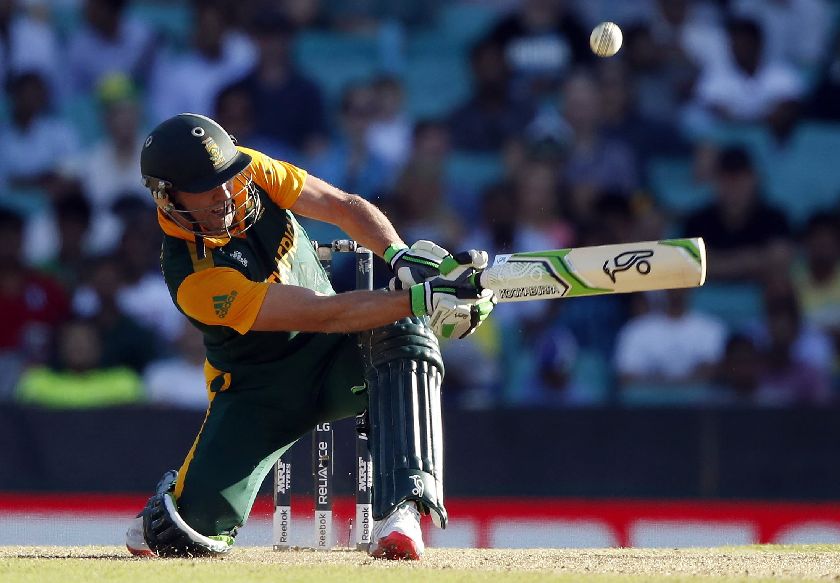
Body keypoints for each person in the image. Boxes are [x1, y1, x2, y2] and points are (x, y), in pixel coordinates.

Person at [124, 113, 495, 560]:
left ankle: (402, 512)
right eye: (206, 186)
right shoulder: (192, 277)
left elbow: (342, 205)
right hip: (258, 392)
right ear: (167, 196)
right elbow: (322, 313)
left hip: (336, 359)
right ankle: (172, 505)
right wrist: (424, 297)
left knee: (405, 333)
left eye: (226, 177)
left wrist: (399, 257)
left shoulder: (251, 170)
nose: (225, 193)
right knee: (183, 536)